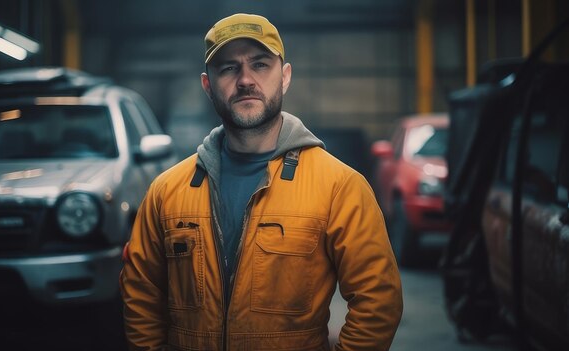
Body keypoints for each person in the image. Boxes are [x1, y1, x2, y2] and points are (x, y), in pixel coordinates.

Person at [120, 13, 403, 351]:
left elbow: (378, 300)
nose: (245, 80)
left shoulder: (339, 187)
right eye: (228, 68)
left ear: (284, 77)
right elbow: (140, 292)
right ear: (208, 85)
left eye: (260, 65)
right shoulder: (167, 191)